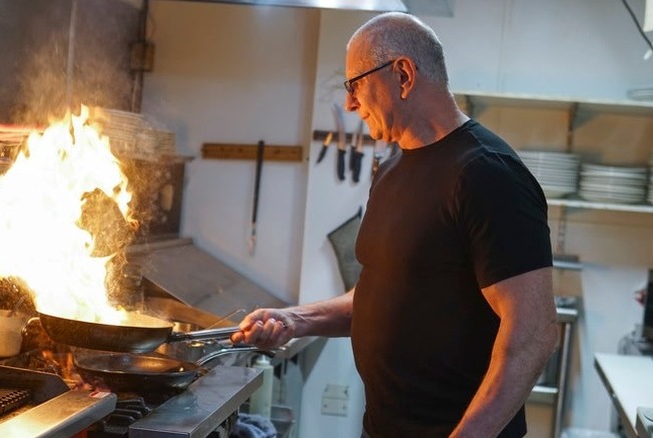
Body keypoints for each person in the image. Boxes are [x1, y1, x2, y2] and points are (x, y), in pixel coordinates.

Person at [230, 11, 559, 438]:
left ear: (402, 75)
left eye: (355, 84)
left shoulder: (488, 174)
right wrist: (297, 319)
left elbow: (535, 332)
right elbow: (382, 290)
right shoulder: (391, 168)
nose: (349, 103)